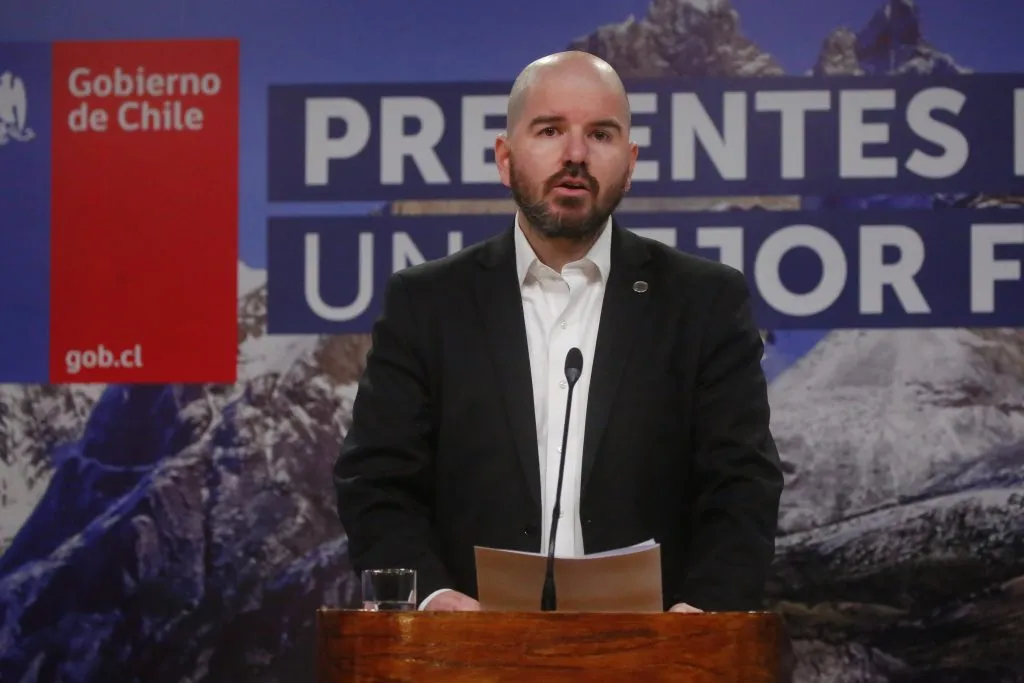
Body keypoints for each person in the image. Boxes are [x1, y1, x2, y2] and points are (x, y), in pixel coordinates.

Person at [333, 50, 784, 613]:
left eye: (600, 134)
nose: (575, 155)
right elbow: (376, 481)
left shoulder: (704, 302)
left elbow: (742, 486)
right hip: (469, 659)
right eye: (550, 130)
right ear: (505, 158)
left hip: (657, 657)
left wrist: (701, 617)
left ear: (630, 160)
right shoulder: (427, 303)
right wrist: (436, 600)